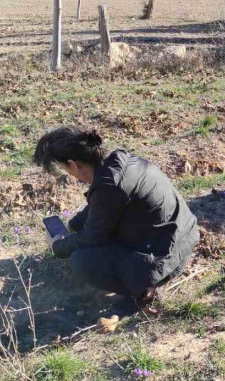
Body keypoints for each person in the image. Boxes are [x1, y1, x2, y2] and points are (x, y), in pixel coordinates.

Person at [33, 126, 199, 315]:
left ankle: (142, 291)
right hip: (184, 240)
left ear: (73, 164)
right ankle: (145, 280)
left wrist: (58, 246)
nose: (66, 172)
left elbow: (93, 237)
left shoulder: (109, 187)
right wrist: (72, 226)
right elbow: (100, 208)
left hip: (165, 261)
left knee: (82, 260)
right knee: (98, 240)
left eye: (64, 168)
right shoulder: (119, 161)